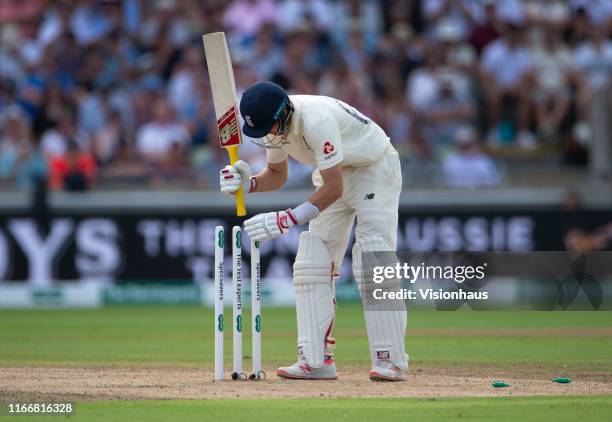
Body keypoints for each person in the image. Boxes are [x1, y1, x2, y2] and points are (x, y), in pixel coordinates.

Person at [219, 81, 408, 381]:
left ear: (284, 114)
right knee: (311, 263)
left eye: (270, 127)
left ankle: (390, 360)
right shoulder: (277, 126)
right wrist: (249, 183)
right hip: (333, 173)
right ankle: (316, 360)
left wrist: (286, 219)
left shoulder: (316, 120)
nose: (268, 135)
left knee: (373, 258)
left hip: (373, 167)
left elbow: (334, 188)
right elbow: (277, 175)